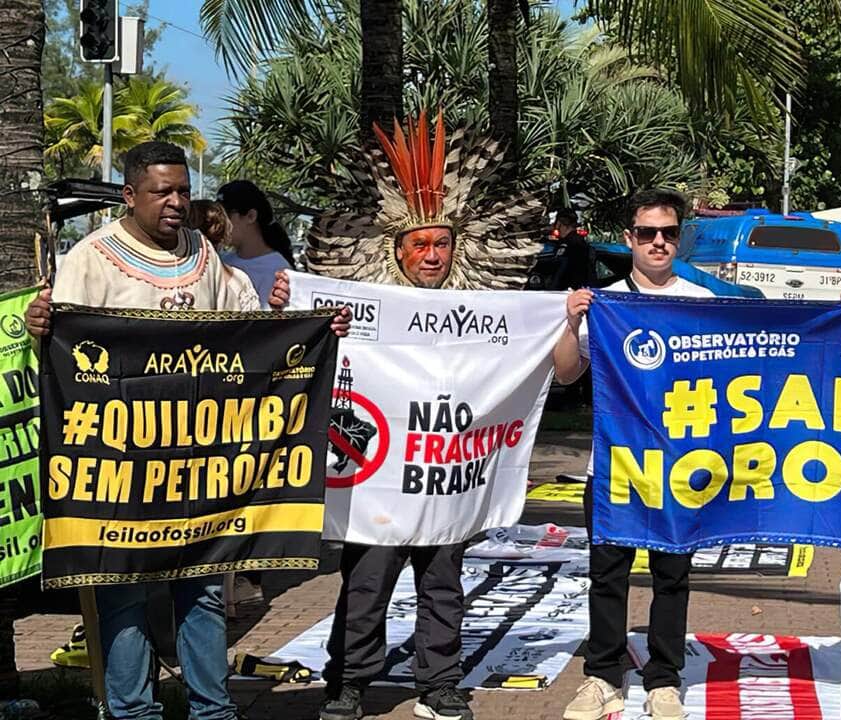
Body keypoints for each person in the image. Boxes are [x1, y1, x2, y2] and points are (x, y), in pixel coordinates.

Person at [24, 141, 351, 720]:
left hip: (199, 465)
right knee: (120, 588)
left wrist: (297, 321)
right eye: (161, 192)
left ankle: (212, 708)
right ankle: (132, 710)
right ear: (130, 196)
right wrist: (41, 327)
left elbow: (245, 335)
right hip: (120, 469)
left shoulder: (203, 253)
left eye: (182, 190)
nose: (176, 202)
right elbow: (66, 355)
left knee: (201, 589)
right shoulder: (92, 258)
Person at [276, 109, 546, 720]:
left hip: (447, 471)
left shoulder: (484, 305)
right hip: (379, 477)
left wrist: (566, 316)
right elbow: (310, 347)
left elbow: (523, 354)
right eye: (420, 244)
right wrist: (295, 309)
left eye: (442, 243)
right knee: (366, 582)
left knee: (443, 581)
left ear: (459, 247)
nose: (432, 255)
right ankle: (348, 681)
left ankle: (440, 682)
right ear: (396, 248)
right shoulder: (360, 302)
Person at [552, 188, 712, 720]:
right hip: (614, 466)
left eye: (668, 232)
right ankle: (601, 677)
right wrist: (572, 321)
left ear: (679, 237)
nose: (659, 242)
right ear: (630, 239)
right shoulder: (604, 304)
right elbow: (567, 373)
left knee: (672, 576)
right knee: (608, 576)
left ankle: (664, 680)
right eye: (648, 233)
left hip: (682, 469)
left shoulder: (704, 304)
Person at [216, 180, 296, 306]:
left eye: (225, 215)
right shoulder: (221, 261)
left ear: (251, 216)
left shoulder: (277, 271)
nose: (218, 223)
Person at [547, 207, 592, 290]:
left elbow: (564, 270)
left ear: (560, 223)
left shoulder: (572, 243)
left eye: (557, 224)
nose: (556, 227)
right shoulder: (576, 242)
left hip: (568, 291)